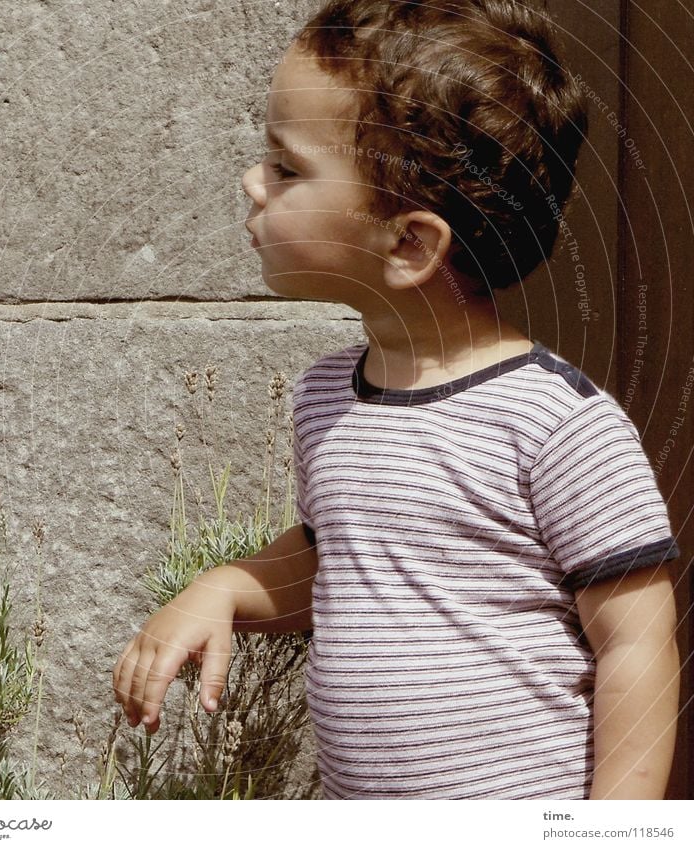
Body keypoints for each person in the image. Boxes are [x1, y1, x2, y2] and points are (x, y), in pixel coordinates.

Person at [113, 0, 681, 799]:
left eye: (286, 167)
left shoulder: (556, 425)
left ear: (409, 243)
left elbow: (636, 640)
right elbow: (341, 560)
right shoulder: (327, 397)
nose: (252, 181)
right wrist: (226, 587)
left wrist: (619, 826)